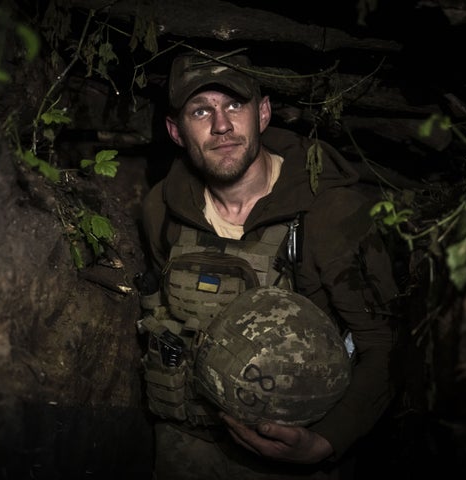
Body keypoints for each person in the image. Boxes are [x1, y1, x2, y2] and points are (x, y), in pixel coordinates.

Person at [135, 49, 401, 479]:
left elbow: (383, 342)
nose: (221, 125)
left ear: (262, 113)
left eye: (234, 106)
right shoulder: (161, 208)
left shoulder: (333, 214)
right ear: (176, 131)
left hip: (294, 459)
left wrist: (327, 441)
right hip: (186, 447)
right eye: (201, 110)